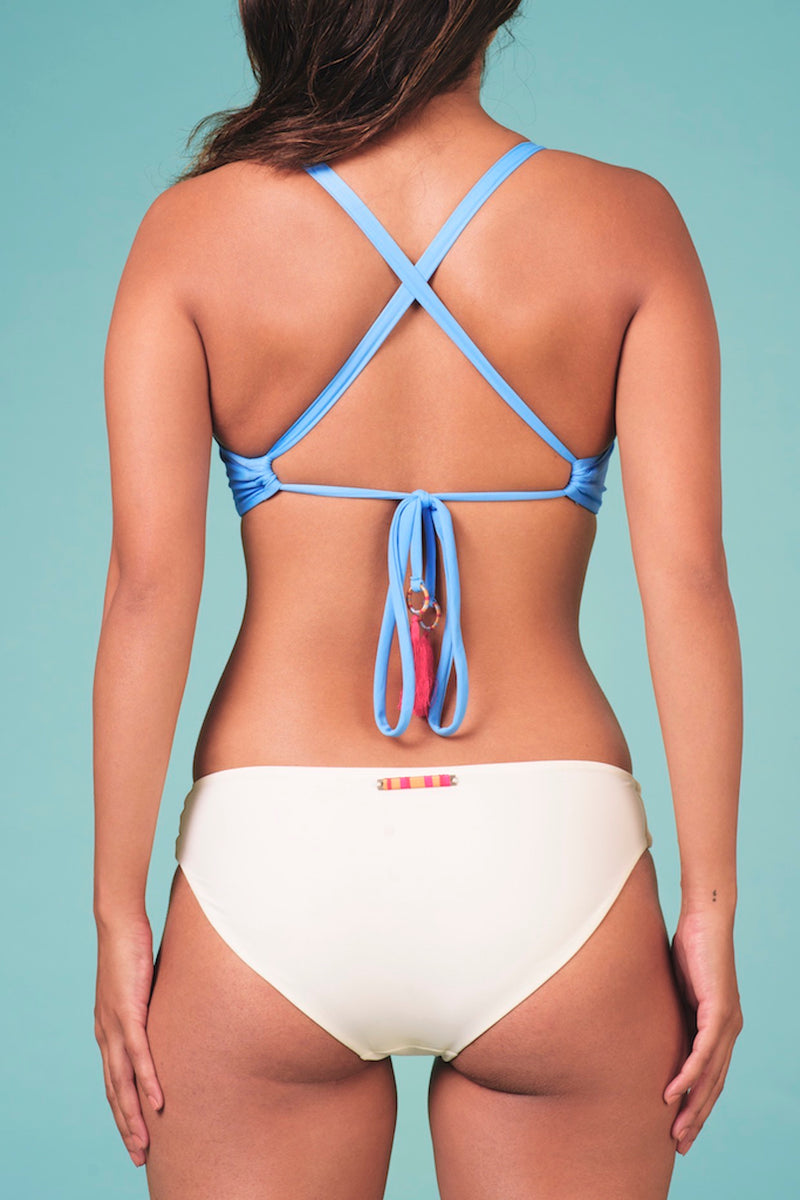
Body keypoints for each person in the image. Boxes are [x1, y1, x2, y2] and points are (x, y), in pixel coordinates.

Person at [92, 2, 743, 1196]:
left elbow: (146, 590)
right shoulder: (625, 221)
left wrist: (116, 913)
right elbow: (688, 583)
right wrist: (709, 905)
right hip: (551, 861)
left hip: (273, 857)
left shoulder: (194, 232)